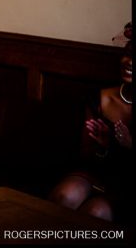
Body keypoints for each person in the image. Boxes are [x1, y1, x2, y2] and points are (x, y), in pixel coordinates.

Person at [48, 22, 132, 222]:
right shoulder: (99, 98)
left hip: (127, 183)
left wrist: (129, 145)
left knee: (95, 213)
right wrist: (104, 147)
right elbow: (85, 154)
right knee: (64, 196)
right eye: (128, 54)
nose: (129, 62)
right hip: (96, 172)